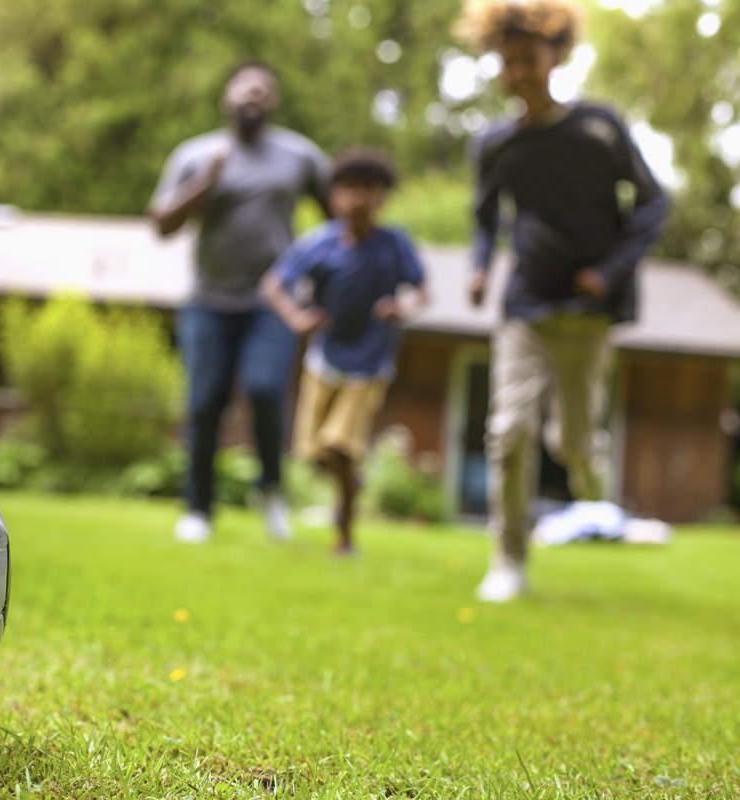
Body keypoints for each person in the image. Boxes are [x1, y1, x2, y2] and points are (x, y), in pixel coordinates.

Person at [454, 0, 668, 601]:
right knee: (508, 429)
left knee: (571, 442)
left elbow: (654, 204)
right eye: (507, 61)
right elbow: (483, 218)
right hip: (527, 302)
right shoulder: (495, 146)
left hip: (591, 311)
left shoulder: (599, 126)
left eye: (529, 58)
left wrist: (610, 269)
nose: (518, 71)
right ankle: (508, 560)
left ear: (557, 56)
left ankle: (588, 477)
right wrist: (477, 267)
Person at [148, 59, 331, 543]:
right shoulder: (195, 154)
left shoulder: (300, 156)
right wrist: (206, 182)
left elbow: (339, 220)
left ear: (273, 102)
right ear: (227, 98)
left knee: (268, 391)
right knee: (205, 402)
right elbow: (161, 224)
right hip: (208, 300)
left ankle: (271, 494)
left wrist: (326, 281)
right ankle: (198, 510)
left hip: (272, 301)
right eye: (245, 88)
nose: (254, 95)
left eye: (264, 89)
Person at [261, 147, 427, 555]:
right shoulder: (318, 245)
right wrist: (297, 318)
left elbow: (421, 289)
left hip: (369, 366)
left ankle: (346, 536)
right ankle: (352, 484)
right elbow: (273, 284)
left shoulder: (393, 244)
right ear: (335, 195)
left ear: (383, 197)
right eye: (350, 188)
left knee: (339, 446)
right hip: (323, 361)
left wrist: (403, 307)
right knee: (313, 452)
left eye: (370, 190)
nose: (359, 199)